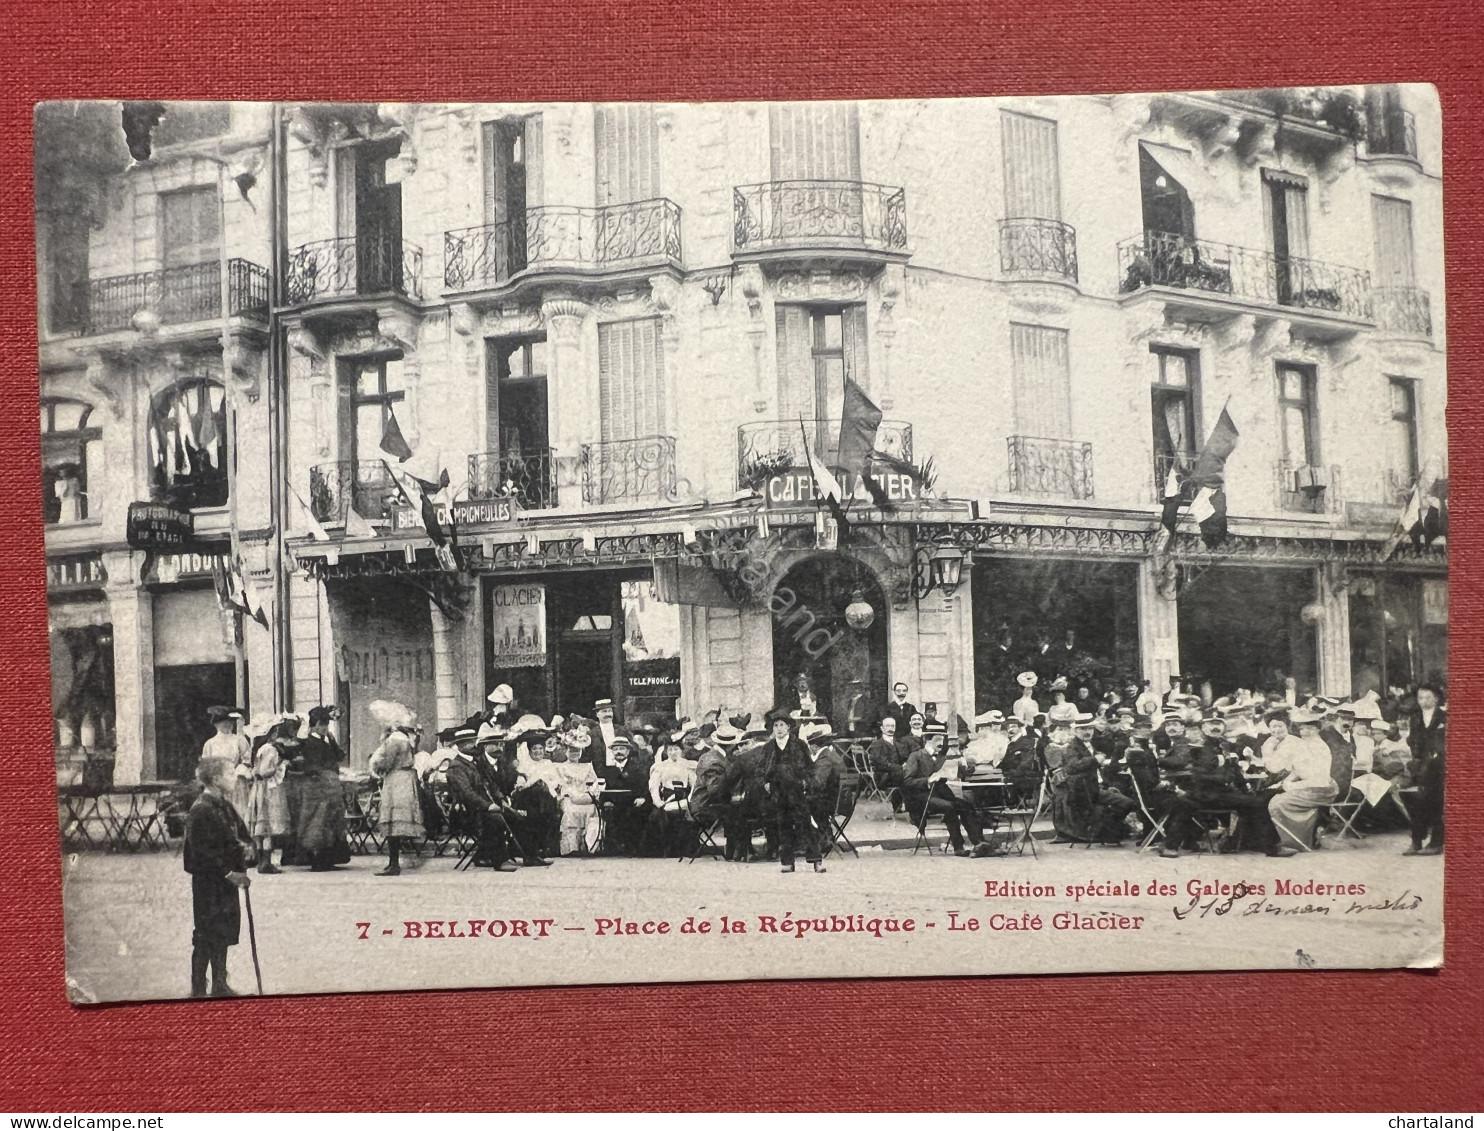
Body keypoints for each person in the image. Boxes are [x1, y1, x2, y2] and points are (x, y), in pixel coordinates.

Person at [183, 756, 253, 998]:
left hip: (227, 882)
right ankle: (198, 988)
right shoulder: (201, 809)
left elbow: (240, 833)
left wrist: (246, 850)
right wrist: (228, 872)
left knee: (223, 931)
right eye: (230, 774)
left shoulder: (224, 805)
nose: (235, 778)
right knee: (205, 933)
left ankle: (220, 983)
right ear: (215, 779)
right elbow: (200, 851)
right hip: (209, 882)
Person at [902, 722, 984, 856]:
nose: (941, 742)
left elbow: (958, 774)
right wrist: (928, 780)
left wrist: (966, 767)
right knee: (949, 807)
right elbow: (907, 782)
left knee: (965, 805)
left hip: (941, 794)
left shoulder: (942, 758)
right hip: (920, 798)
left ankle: (979, 842)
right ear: (927, 740)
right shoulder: (916, 756)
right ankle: (958, 846)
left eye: (942, 738)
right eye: (937, 739)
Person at [444, 728, 520, 872]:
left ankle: (523, 854)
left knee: (513, 814)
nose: (473, 745)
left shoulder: (476, 763)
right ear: (459, 746)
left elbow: (491, 785)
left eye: (473, 741)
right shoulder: (456, 766)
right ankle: (499, 861)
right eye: (468, 743)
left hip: (481, 807)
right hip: (467, 812)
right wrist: (487, 806)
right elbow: (467, 793)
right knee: (496, 818)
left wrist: (501, 800)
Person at [756, 710, 820, 873]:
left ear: (789, 727)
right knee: (783, 826)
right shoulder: (768, 748)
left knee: (805, 824)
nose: (778, 729)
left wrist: (806, 783)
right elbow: (760, 769)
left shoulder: (799, 745)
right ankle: (787, 862)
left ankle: (816, 860)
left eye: (782, 725)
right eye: (775, 725)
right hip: (778, 792)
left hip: (797, 790)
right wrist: (765, 783)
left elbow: (811, 768)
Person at [289, 706, 351, 871]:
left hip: (329, 786)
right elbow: (310, 765)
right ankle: (316, 858)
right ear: (314, 725)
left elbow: (339, 756)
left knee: (330, 821)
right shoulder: (309, 742)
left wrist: (332, 740)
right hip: (317, 786)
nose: (325, 728)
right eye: (322, 725)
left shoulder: (326, 741)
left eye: (326, 725)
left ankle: (328, 857)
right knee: (316, 821)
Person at [367, 701, 425, 876]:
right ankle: (396, 862)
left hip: (397, 780)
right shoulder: (406, 739)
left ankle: (394, 864)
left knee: (394, 821)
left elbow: (386, 761)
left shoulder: (394, 740)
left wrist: (376, 767)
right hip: (405, 779)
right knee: (398, 822)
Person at [1268, 708, 1338, 851]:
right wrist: (1282, 783)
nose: (1304, 731)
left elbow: (1318, 778)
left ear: (1318, 729)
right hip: (1308, 786)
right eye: (1302, 728)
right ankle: (1280, 838)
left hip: (1321, 788)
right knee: (1270, 795)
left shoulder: (1319, 747)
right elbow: (1296, 770)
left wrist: (1292, 786)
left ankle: (1298, 841)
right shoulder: (1303, 745)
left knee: (1277, 803)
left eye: (1309, 728)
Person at [247, 716, 295, 874]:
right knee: (268, 825)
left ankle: (262, 860)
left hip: (260, 788)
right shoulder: (270, 749)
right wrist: (282, 765)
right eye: (274, 731)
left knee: (262, 827)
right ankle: (265, 862)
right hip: (269, 789)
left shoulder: (260, 748)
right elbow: (264, 771)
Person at [1405, 683, 1445, 855]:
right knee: (1415, 801)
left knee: (1436, 802)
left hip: (1439, 765)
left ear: (1435, 698)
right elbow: (1412, 739)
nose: (1423, 701)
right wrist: (1415, 757)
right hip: (1420, 765)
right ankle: (1416, 841)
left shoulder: (1445, 716)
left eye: (1427, 697)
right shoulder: (1415, 718)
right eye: (1420, 697)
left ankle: (1436, 842)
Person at [554, 719, 602, 855]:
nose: (575, 753)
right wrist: (571, 794)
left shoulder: (587, 766)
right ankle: (572, 848)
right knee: (570, 810)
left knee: (593, 810)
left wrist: (591, 795)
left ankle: (590, 846)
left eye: (577, 751)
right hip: (570, 797)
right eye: (572, 750)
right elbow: (561, 785)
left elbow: (594, 783)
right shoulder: (561, 767)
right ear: (566, 751)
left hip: (585, 797)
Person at [598, 735, 652, 855]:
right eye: (616, 749)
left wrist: (642, 798)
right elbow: (601, 787)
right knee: (612, 815)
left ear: (628, 751)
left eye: (622, 749)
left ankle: (634, 848)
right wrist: (605, 800)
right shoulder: (606, 769)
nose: (619, 752)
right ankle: (614, 848)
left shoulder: (638, 767)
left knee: (637, 814)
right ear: (612, 752)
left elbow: (645, 785)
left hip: (633, 802)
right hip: (613, 802)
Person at [201, 706, 251, 821]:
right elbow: (206, 765)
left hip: (235, 781)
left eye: (230, 722)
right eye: (223, 723)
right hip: (217, 781)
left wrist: (239, 771)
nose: (228, 725)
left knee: (238, 811)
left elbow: (246, 760)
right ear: (216, 724)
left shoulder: (239, 740)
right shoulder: (210, 743)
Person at [803, 729, 844, 865]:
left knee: (798, 804)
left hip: (830, 802)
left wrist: (803, 784)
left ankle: (821, 840)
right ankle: (826, 838)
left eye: (810, 747)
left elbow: (818, 783)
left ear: (814, 746)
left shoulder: (825, 758)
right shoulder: (832, 755)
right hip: (838, 800)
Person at [867, 715, 907, 795]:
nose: (890, 728)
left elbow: (905, 758)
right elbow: (882, 764)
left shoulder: (899, 743)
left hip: (899, 774)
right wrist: (901, 768)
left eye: (892, 726)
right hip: (884, 776)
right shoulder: (876, 744)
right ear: (881, 728)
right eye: (887, 726)